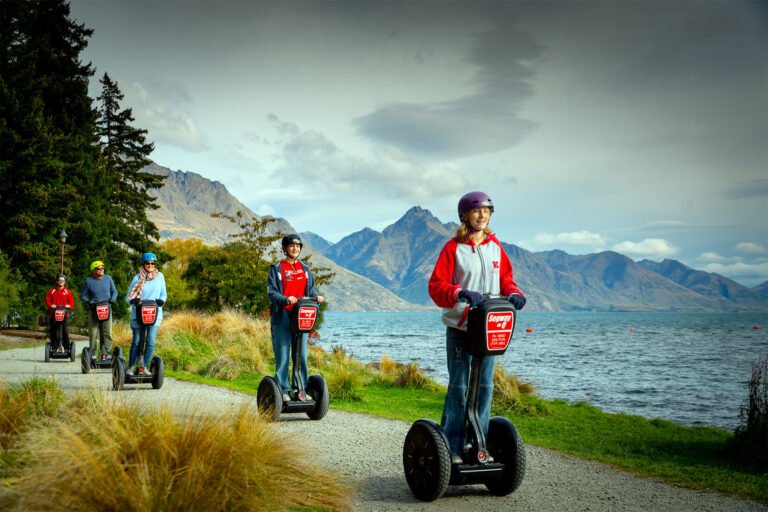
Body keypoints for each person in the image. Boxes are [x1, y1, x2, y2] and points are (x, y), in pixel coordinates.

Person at [428, 191, 527, 465]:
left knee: (484, 387)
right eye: (476, 211)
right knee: (459, 388)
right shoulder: (453, 248)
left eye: (486, 211)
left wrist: (514, 293)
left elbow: (506, 278)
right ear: (465, 216)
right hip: (462, 327)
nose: (482, 215)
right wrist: (459, 292)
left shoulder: (496, 247)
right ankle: (454, 448)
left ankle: (479, 444)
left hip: (490, 328)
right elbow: (436, 286)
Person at [267, 234, 324, 402]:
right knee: (283, 356)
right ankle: (283, 390)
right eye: (291, 246)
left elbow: (311, 290)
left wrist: (317, 298)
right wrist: (285, 299)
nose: (295, 249)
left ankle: (300, 389)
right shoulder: (277, 268)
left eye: (298, 246)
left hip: (301, 316)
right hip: (282, 316)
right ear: (285, 248)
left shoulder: (305, 269)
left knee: (301, 356)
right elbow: (271, 292)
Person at [125, 252, 167, 375]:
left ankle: (143, 366)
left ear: (155, 264)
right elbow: (128, 297)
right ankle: (131, 367)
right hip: (138, 315)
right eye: (147, 263)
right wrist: (133, 300)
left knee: (151, 341)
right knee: (137, 341)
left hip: (154, 314)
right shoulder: (137, 278)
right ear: (143, 264)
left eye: (152, 263)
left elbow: (163, 294)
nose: (150, 265)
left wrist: (161, 301)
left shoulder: (160, 277)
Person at [80, 260, 118, 360]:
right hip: (94, 308)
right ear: (93, 270)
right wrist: (89, 302)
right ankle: (93, 353)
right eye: (98, 268)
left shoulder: (108, 278)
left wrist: (113, 300)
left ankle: (108, 353)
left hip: (106, 307)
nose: (101, 270)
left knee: (107, 332)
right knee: (93, 333)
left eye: (102, 268)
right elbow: (82, 295)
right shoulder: (88, 281)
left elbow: (114, 291)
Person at [45, 274, 75, 352]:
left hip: (64, 314)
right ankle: (54, 347)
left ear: (64, 282)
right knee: (54, 330)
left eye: (63, 280)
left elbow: (71, 302)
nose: (61, 282)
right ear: (57, 281)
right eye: (60, 280)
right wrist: (51, 305)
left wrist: (69, 306)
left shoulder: (68, 292)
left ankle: (66, 347)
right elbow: (47, 300)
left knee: (65, 330)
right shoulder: (52, 291)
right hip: (53, 314)